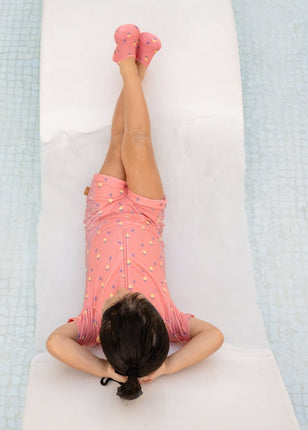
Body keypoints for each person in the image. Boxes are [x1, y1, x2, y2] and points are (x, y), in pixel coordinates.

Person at [46, 24, 224, 400]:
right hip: (146, 212)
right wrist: (168, 366)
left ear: (105, 330)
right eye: (138, 299)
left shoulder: (90, 326)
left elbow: (54, 344)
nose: (128, 291)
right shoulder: (170, 322)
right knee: (139, 142)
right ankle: (130, 67)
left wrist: (102, 368)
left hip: (104, 211)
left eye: (117, 300)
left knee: (118, 140)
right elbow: (214, 336)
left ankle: (133, 67)